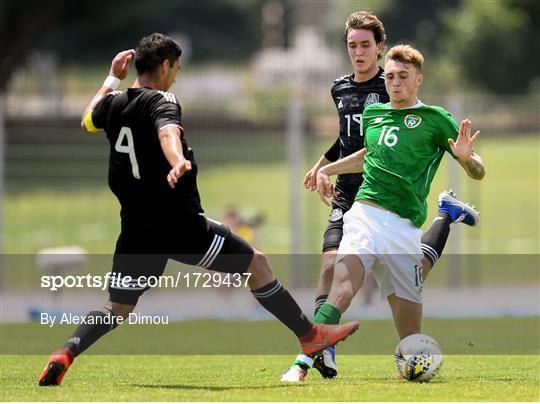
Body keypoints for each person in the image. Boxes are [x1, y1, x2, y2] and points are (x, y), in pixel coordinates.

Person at [38, 33, 359, 386]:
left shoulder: (113, 103)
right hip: (180, 226)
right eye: (175, 67)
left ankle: (65, 352)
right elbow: (167, 134)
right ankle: (310, 336)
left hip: (136, 229)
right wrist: (176, 161)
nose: (176, 75)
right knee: (256, 262)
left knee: (117, 307)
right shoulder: (163, 99)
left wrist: (112, 76)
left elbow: (87, 120)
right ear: (164, 66)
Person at [281, 11, 480, 382]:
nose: (394, 81)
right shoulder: (367, 107)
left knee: (412, 329)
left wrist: (470, 162)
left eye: (401, 76)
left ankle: (445, 216)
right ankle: (304, 362)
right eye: (351, 45)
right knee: (340, 280)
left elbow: (477, 168)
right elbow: (355, 146)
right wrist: (325, 168)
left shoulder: (434, 118)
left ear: (417, 79)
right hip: (362, 209)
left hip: (404, 222)